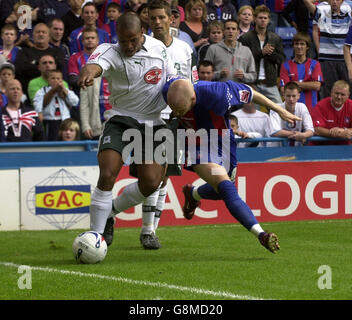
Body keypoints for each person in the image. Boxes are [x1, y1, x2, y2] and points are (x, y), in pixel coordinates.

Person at [161, 78, 301, 254]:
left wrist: (279, 109)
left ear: (193, 100)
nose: (177, 113)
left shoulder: (218, 93)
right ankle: (261, 234)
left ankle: (193, 193)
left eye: (181, 110)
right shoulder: (168, 89)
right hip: (195, 146)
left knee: (225, 188)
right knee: (226, 188)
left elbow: (251, 93)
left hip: (223, 141)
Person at [78, 12, 175, 247]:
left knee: (151, 182)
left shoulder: (158, 48)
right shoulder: (108, 50)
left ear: (143, 31)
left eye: (133, 40)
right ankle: (95, 238)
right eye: (123, 41)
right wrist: (89, 74)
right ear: (116, 37)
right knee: (108, 173)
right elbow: (94, 66)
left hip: (153, 122)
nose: (128, 45)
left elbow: (171, 77)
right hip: (121, 119)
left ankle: (110, 212)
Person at [129, 0, 198, 249]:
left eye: (161, 18)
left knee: (165, 176)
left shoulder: (185, 48)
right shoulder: (141, 47)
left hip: (176, 118)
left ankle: (149, 230)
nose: (157, 22)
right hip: (149, 117)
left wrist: (191, 115)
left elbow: (193, 83)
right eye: (152, 18)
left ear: (172, 18)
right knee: (151, 177)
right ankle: (128, 221)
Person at [304, 0, 352, 98]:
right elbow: (306, 1)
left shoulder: (348, 14)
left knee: (348, 91)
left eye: (337, 0)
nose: (334, 2)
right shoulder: (322, 13)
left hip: (344, 60)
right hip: (327, 60)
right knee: (328, 92)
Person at [238, 5, 285, 105]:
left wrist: (270, 53)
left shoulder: (275, 38)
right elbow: (243, 60)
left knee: (279, 110)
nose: (263, 20)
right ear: (254, 19)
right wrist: (261, 53)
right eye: (260, 18)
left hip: (270, 83)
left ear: (269, 20)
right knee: (253, 114)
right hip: (251, 83)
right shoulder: (245, 38)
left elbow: (281, 59)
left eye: (265, 18)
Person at [69, 27, 112, 129]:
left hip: (107, 105)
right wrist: (86, 80)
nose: (90, 40)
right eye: (87, 38)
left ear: (98, 40)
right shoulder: (75, 58)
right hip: (83, 102)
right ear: (82, 41)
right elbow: (73, 79)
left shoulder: (106, 58)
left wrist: (84, 78)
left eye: (92, 38)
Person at [14, 23, 66, 95]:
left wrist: (35, 64)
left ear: (49, 36)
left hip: (54, 93)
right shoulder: (24, 52)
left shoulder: (57, 52)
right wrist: (47, 69)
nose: (41, 34)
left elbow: (60, 68)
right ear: (33, 36)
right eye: (38, 32)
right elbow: (21, 69)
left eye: (44, 32)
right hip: (28, 93)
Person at [280, 32, 323, 114]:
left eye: (302, 44)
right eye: (296, 44)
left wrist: (293, 83)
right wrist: (307, 85)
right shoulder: (285, 66)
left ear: (307, 47)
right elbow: (283, 89)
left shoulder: (315, 64)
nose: (299, 47)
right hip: (291, 109)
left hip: (311, 108)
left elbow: (317, 86)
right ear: (293, 46)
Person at [205, 19, 256, 84]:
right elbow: (204, 75)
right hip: (219, 90)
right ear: (224, 31)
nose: (230, 31)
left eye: (233, 29)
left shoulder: (246, 50)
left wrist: (244, 76)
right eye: (228, 28)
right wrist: (218, 74)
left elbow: (253, 76)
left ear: (238, 32)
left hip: (239, 90)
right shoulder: (213, 49)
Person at [33, 69, 79, 140]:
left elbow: (75, 101)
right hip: (50, 120)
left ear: (61, 80)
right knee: (52, 139)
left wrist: (64, 90)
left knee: (65, 139)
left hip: (65, 119)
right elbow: (37, 102)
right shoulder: (43, 90)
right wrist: (39, 112)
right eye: (53, 78)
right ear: (48, 80)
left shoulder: (65, 90)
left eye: (58, 78)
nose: (56, 81)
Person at [270, 81, 314, 146]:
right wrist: (297, 135)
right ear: (283, 95)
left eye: (294, 96)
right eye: (288, 96)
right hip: (277, 149)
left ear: (298, 96)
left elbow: (310, 130)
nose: (291, 99)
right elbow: (274, 132)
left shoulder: (302, 107)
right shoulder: (275, 107)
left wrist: (303, 135)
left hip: (296, 149)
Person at [311, 80, 352, 144]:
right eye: (337, 93)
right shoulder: (321, 106)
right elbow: (316, 129)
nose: (339, 97)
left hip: (345, 147)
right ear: (331, 92)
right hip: (322, 147)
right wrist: (338, 134)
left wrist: (343, 130)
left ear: (348, 95)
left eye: (342, 94)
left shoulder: (351, 105)